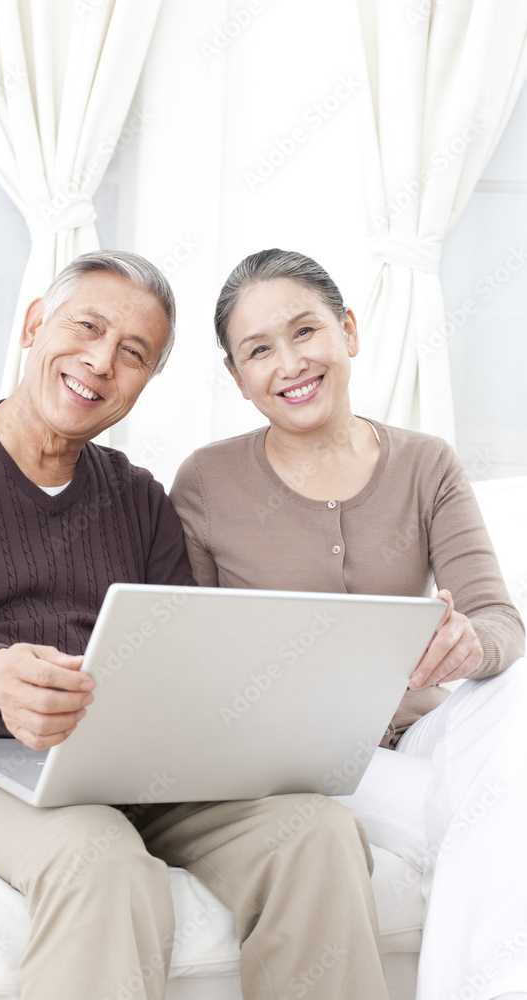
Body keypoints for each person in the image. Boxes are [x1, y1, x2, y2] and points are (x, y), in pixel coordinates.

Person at [0, 250, 390, 1000]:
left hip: (117, 763)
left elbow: (184, 653)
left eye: (133, 353)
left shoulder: (139, 499)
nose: (101, 361)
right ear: (35, 324)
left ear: (144, 384)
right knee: (97, 854)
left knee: (315, 834)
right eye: (87, 327)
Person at [170, 248, 527, 1000]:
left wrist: (472, 643)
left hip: (424, 734)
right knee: (493, 819)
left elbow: (500, 619)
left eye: (305, 332)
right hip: (302, 763)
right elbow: (187, 651)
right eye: (258, 350)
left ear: (349, 332)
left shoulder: (425, 464)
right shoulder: (205, 482)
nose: (290, 362)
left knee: (516, 693)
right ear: (237, 379)